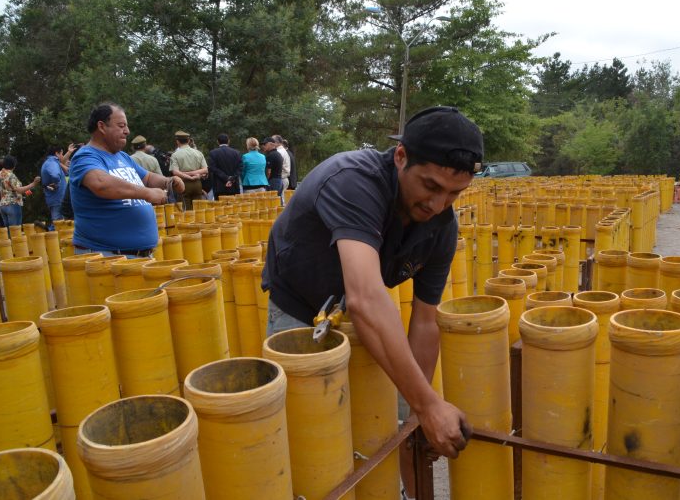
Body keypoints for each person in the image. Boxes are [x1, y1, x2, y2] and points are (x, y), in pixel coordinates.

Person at [261, 107, 483, 493]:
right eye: (430, 186)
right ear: (401, 157)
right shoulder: (353, 180)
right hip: (300, 305)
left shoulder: (441, 227)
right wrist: (429, 407)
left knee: (394, 425)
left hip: (356, 304)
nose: (438, 205)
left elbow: (426, 322)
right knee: (314, 436)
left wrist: (417, 410)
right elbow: (365, 296)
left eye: (454, 193)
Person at [70, 102, 185, 258]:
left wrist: (168, 181)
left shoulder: (122, 156)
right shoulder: (85, 157)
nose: (127, 131)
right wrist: (147, 194)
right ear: (102, 127)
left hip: (135, 257)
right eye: (121, 126)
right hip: (107, 258)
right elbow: (101, 184)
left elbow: (148, 177)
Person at [0, 155, 40, 233]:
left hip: (2, 205)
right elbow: (18, 190)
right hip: (13, 204)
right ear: (13, 165)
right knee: (15, 231)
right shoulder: (11, 175)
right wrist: (33, 184)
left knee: (8, 232)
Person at [169, 131, 207, 210]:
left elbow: (175, 172)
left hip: (183, 184)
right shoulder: (198, 153)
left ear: (177, 142)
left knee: (186, 212)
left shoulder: (175, 155)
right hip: (197, 183)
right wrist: (194, 175)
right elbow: (205, 170)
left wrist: (188, 176)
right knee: (198, 210)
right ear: (189, 141)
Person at [41, 145, 68, 227]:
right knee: (58, 224)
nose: (62, 156)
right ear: (57, 153)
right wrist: (56, 183)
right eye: (62, 154)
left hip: (56, 198)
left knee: (59, 223)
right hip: (57, 198)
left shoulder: (51, 162)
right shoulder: (52, 162)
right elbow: (56, 175)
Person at [261, 137, 284, 204]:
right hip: (279, 180)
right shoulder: (278, 154)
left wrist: (266, 182)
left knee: (272, 202)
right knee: (278, 201)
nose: (263, 146)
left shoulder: (271, 155)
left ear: (271, 144)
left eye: (265, 144)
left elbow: (268, 172)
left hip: (273, 181)